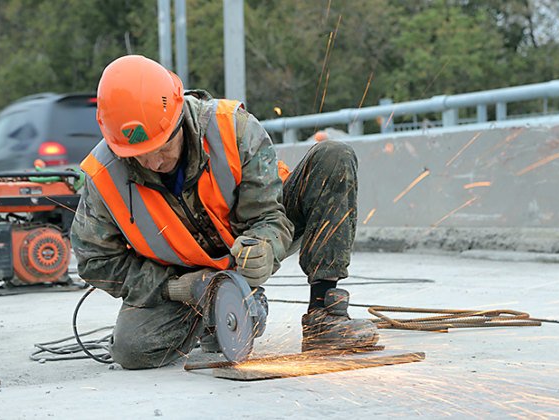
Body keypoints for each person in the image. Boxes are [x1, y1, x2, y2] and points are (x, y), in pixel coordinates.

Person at [71, 55, 378, 369]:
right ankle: (211, 317)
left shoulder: (233, 129)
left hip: (244, 242)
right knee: (131, 350)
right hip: (186, 280)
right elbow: (95, 260)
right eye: (138, 156)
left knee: (333, 157)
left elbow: (269, 216)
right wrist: (176, 288)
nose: (153, 163)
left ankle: (323, 316)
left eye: (162, 147)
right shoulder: (104, 176)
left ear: (180, 118)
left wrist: (265, 245)